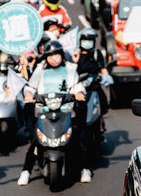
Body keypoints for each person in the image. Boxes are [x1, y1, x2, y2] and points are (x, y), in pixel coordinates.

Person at [18, 40, 89, 185]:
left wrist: (79, 93)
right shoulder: (40, 70)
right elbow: (30, 86)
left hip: (66, 111)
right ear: (46, 57)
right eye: (50, 55)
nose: (54, 58)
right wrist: (29, 95)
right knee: (36, 141)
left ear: (62, 55)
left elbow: (76, 85)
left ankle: (84, 169)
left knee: (75, 139)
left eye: (56, 54)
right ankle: (26, 171)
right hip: (43, 111)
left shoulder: (70, 68)